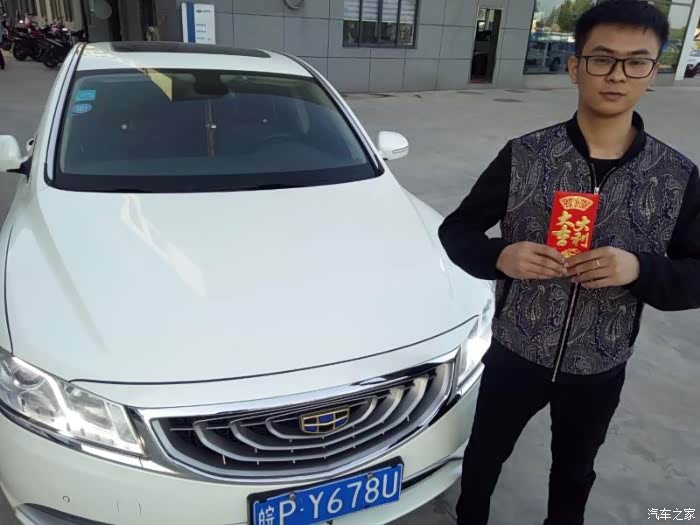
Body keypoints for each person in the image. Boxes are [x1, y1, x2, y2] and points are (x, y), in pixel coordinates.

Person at [439, 1, 700, 524]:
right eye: (602, 59)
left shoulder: (675, 175)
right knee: (484, 457)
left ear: (653, 71)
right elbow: (457, 231)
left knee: (575, 471)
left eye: (636, 61)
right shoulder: (526, 155)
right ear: (575, 66)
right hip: (516, 352)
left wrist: (641, 270)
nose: (617, 75)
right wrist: (501, 255)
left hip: (599, 364)